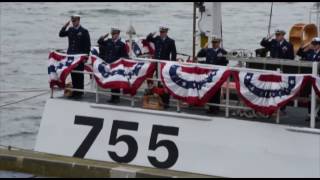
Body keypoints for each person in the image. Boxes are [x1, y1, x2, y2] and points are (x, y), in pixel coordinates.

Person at [59, 14, 91, 99]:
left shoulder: (84, 31)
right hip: (71, 57)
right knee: (73, 74)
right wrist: (64, 26)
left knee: (79, 74)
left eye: (75, 21)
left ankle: (80, 93)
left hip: (80, 57)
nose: (73, 23)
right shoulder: (70, 30)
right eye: (72, 21)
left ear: (78, 20)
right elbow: (61, 34)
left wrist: (86, 57)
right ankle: (75, 92)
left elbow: (87, 45)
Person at [146, 26, 177, 109]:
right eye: (160, 32)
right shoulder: (157, 39)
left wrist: (172, 64)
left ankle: (166, 102)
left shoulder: (171, 41)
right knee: (158, 82)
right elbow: (148, 39)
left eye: (163, 32)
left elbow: (174, 54)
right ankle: (160, 101)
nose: (161, 34)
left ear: (166, 32)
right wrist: (151, 34)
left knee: (165, 83)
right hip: (157, 63)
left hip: (164, 65)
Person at [196, 35, 228, 114]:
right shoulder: (208, 50)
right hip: (209, 74)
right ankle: (210, 107)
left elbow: (225, 63)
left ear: (219, 43)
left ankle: (216, 108)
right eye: (213, 42)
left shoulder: (223, 52)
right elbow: (199, 55)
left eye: (216, 42)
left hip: (217, 74)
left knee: (216, 91)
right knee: (209, 90)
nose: (214, 44)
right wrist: (204, 48)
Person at [97, 27, 129, 104]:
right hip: (109, 64)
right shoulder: (108, 41)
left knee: (116, 83)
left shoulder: (121, 44)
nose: (113, 35)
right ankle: (112, 97)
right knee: (111, 82)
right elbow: (100, 42)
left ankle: (116, 98)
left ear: (118, 34)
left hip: (117, 66)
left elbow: (125, 56)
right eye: (112, 34)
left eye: (115, 34)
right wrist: (103, 37)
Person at [297, 37, 320, 122]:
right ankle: (310, 114)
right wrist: (305, 46)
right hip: (310, 78)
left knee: (318, 96)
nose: (314, 46)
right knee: (311, 96)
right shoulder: (310, 52)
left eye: (315, 44)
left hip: (318, 78)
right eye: (313, 44)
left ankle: (317, 114)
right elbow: (300, 53)